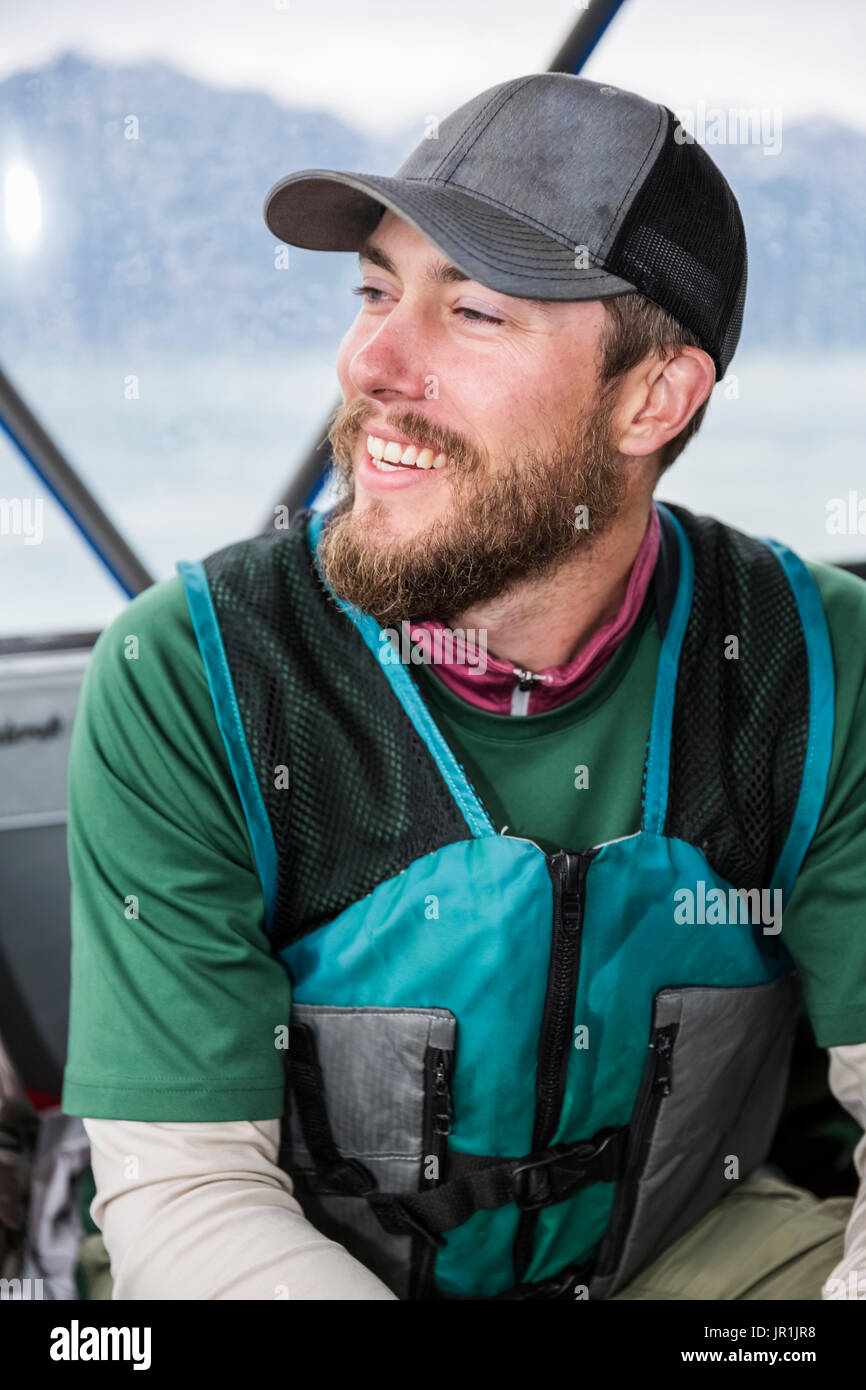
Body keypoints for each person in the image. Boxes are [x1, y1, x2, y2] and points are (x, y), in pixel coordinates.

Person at [62, 73, 866, 1300]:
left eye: (475, 312)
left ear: (652, 398)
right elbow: (191, 1193)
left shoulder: (815, 665)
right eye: (375, 289)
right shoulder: (188, 672)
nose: (370, 361)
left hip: (677, 1254)